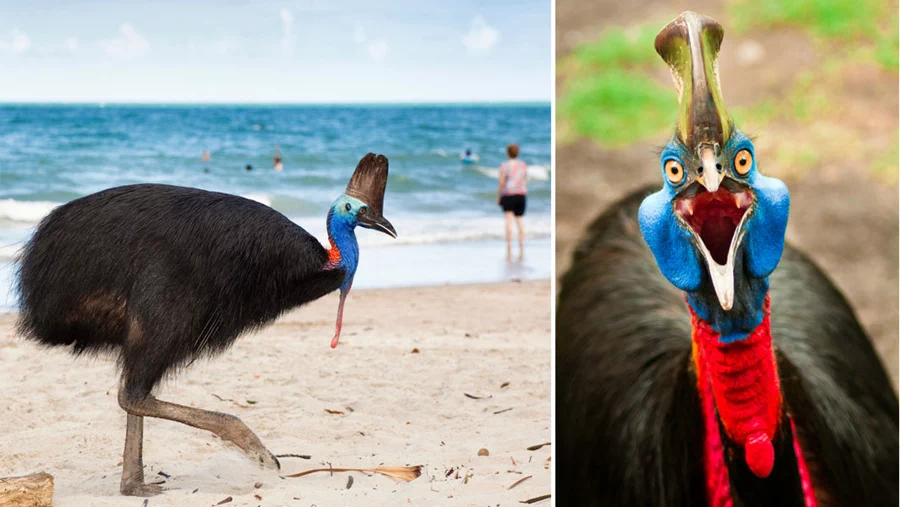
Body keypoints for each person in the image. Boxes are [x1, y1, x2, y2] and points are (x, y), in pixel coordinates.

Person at [497, 143, 527, 262]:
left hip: (508, 194)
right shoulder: (523, 165)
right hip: (521, 194)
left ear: (507, 153)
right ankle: (521, 243)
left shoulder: (504, 166)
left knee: (509, 221)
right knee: (519, 220)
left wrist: (499, 196)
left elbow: (501, 183)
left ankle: (509, 245)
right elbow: (524, 180)